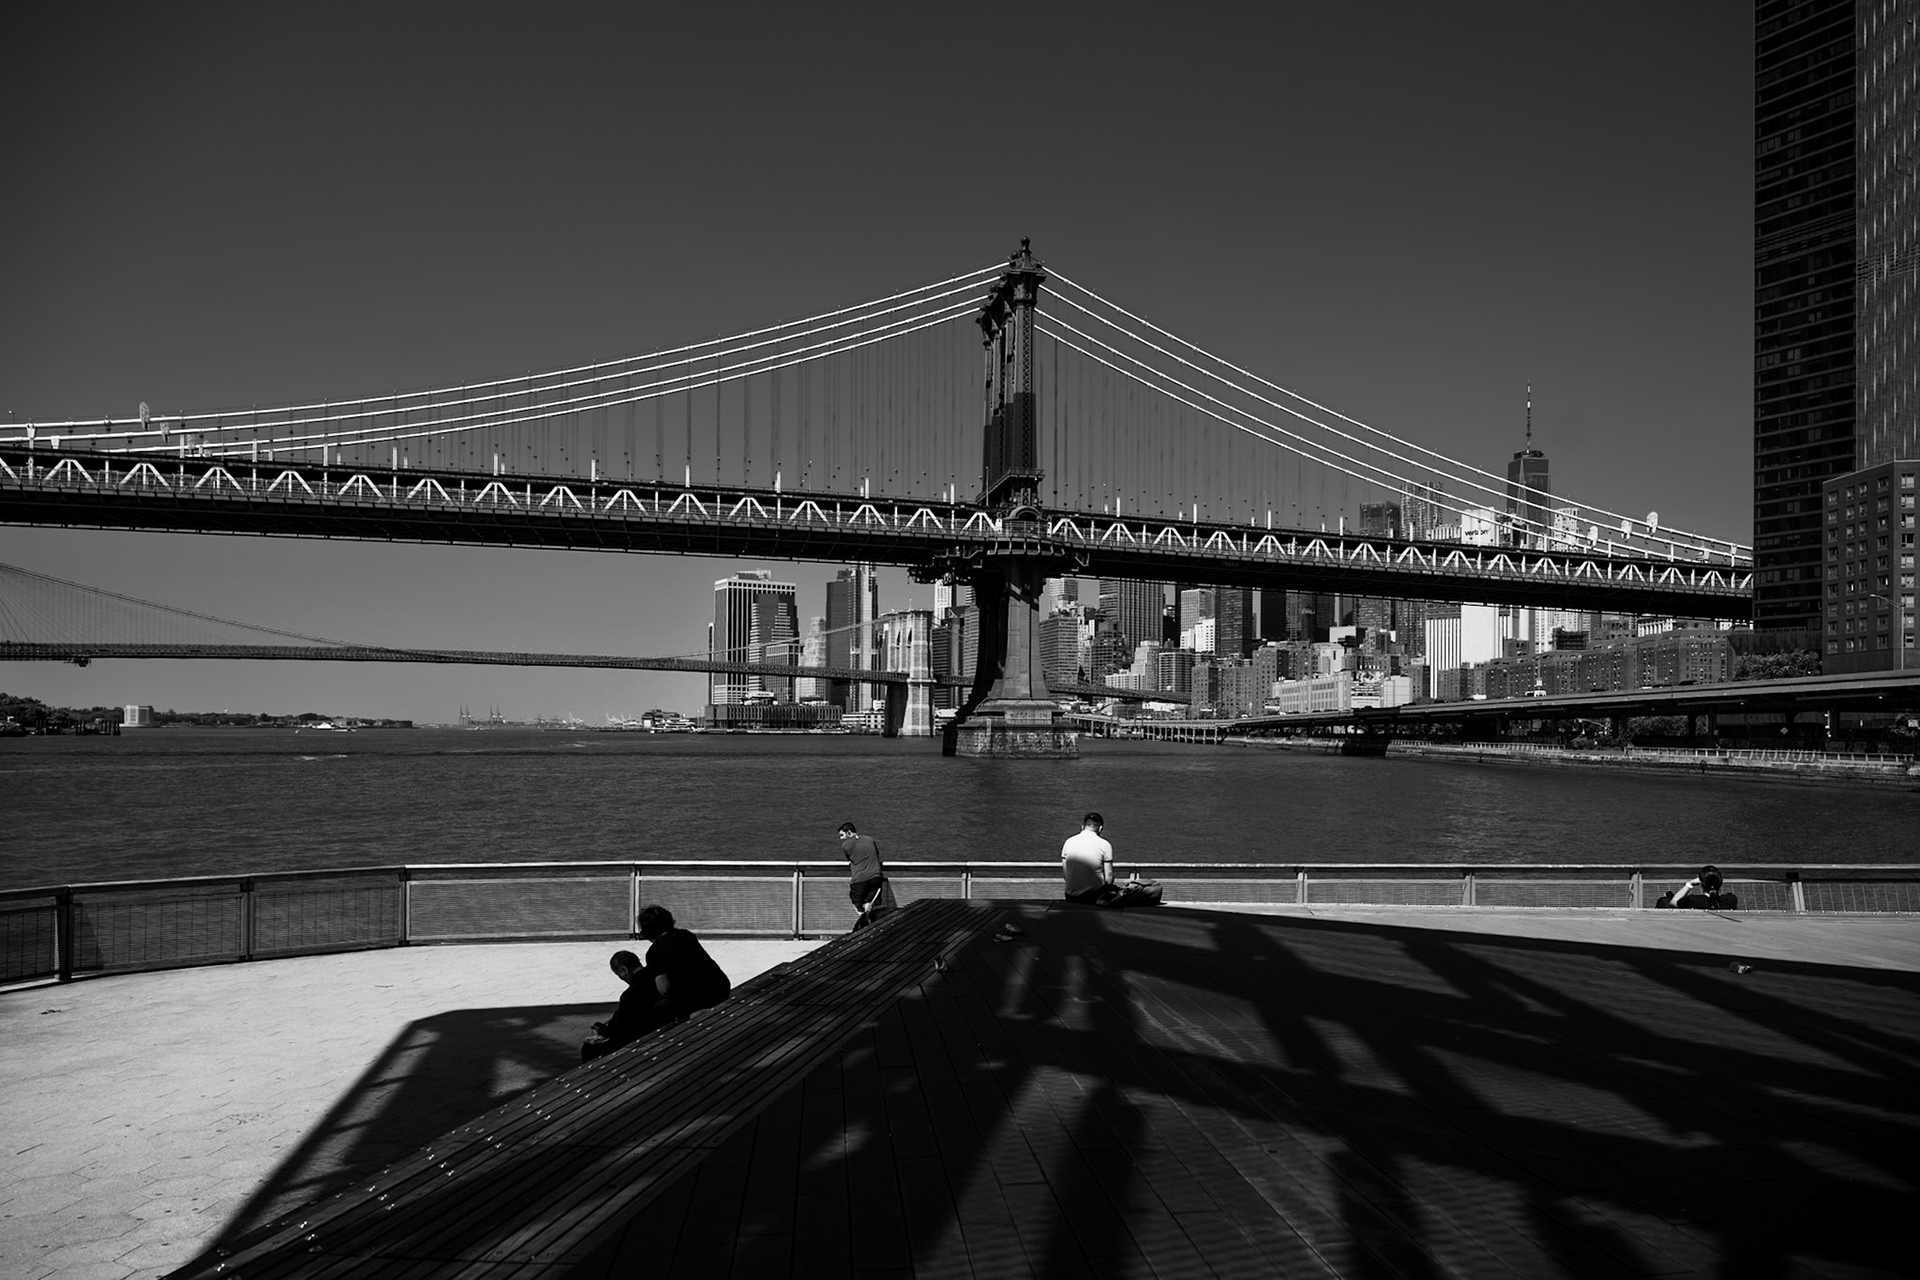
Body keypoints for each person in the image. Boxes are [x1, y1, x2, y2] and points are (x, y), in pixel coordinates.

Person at [1061, 812, 1163, 907]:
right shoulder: (1104, 845)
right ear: (1100, 828)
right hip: (1094, 897)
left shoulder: (1068, 842)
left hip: (1071, 897)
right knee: (1154, 888)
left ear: (1082, 827)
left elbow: (1066, 875)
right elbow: (1108, 880)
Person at [580, 949, 651, 1062]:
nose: (622, 979)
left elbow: (620, 1030)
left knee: (588, 1048)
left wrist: (603, 1031)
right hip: (653, 1031)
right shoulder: (655, 978)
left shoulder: (631, 994)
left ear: (624, 970)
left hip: (637, 1039)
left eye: (619, 975)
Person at [837, 821, 896, 930]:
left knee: (856, 900)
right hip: (876, 877)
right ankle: (871, 921)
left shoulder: (846, 845)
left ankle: (864, 922)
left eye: (842, 835)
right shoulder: (870, 839)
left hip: (859, 879)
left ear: (849, 832)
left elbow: (851, 859)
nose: (841, 838)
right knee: (871, 903)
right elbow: (876, 854)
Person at [1655, 864, 1739, 910]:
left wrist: (1689, 884)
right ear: (1720, 882)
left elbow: (1673, 903)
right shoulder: (1731, 899)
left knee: (1664, 901)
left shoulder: (1692, 900)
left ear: (1701, 882)